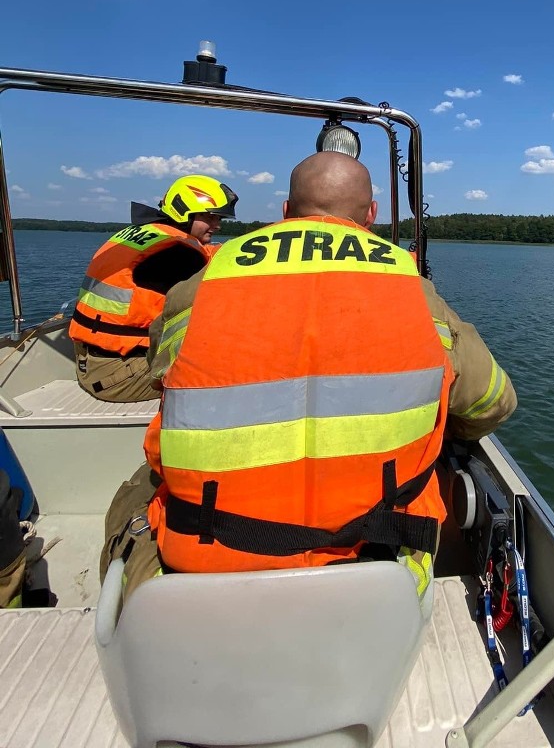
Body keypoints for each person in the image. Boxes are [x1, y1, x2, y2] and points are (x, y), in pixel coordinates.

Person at [103, 152, 516, 602]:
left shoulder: (205, 279)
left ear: (285, 211)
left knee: (134, 494)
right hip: (377, 572)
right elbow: (493, 401)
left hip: (203, 573)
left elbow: (161, 374)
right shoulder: (411, 286)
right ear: (371, 215)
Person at [68, 175, 239, 403]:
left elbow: (203, 254)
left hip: (91, 360)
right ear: (183, 212)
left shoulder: (145, 235)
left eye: (219, 218)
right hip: (120, 374)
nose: (217, 225)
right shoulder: (176, 253)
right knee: (235, 363)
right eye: (210, 217)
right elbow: (210, 306)